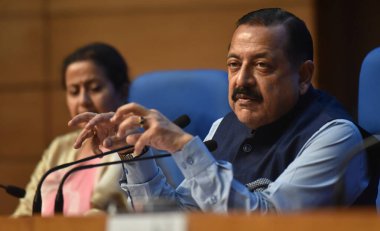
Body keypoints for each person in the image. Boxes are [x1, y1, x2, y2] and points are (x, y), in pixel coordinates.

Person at [69, 8, 375, 213]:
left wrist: (184, 145)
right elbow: (178, 218)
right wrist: (133, 155)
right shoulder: (224, 127)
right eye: (233, 64)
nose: (241, 80)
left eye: (262, 65)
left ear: (304, 76)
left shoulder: (336, 137)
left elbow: (268, 222)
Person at [13, 42, 145, 216]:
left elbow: (125, 213)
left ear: (122, 92)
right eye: (74, 91)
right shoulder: (59, 148)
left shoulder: (136, 144)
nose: (83, 100)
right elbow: (25, 211)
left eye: (95, 88)